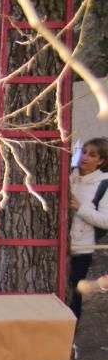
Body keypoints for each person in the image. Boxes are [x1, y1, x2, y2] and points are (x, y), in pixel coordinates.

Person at [67, 137, 108, 320]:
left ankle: (70, 339)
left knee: (72, 293)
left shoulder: (103, 184)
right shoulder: (67, 174)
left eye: (92, 155)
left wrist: (80, 207)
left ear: (101, 161)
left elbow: (106, 221)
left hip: (81, 248)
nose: (85, 157)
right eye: (83, 152)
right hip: (56, 243)